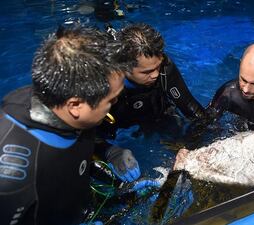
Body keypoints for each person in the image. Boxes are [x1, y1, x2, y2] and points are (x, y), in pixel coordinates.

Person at [0, 25, 145, 225]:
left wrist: (111, 154)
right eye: (111, 100)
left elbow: (73, 156)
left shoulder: (63, 103)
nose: (115, 105)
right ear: (75, 105)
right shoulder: (12, 173)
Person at [97, 23, 206, 139]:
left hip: (156, 111)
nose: (156, 75)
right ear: (124, 67)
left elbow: (189, 105)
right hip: (118, 121)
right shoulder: (105, 82)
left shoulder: (165, 67)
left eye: (158, 67)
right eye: (147, 72)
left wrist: (209, 128)